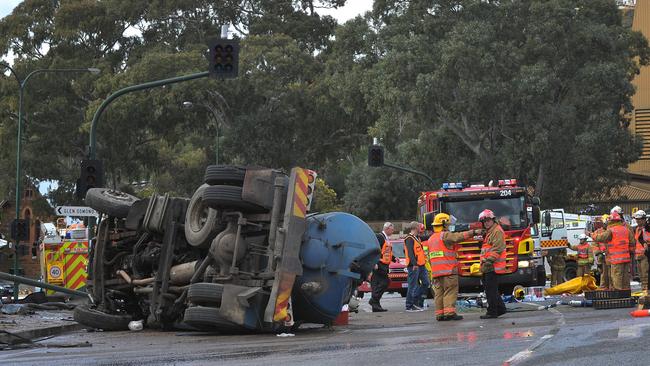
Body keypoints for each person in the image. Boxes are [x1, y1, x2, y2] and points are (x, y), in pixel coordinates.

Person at [427, 213, 481, 321]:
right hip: (448, 270)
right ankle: (449, 313)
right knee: (450, 291)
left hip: (437, 272)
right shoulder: (445, 235)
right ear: (443, 224)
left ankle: (440, 314)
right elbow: (458, 237)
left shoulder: (431, 238)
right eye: (447, 224)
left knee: (439, 293)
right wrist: (473, 232)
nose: (449, 226)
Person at [589, 211, 635, 290]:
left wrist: (590, 234)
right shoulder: (626, 229)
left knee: (616, 277)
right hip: (626, 259)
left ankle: (619, 295)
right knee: (625, 278)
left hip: (616, 259)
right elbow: (632, 243)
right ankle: (626, 294)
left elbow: (600, 238)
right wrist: (630, 254)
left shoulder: (611, 230)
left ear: (611, 221)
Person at [478, 209, 507, 319]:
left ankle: (492, 311)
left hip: (492, 266)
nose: (486, 223)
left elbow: (497, 249)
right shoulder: (490, 231)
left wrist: (488, 261)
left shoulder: (497, 231)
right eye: (484, 221)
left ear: (493, 220)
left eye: (488, 220)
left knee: (491, 290)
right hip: (488, 266)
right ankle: (500, 309)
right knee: (491, 289)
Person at [369, 222, 395, 312]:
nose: (393, 231)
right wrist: (374, 262)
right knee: (385, 282)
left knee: (376, 285)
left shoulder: (386, 238)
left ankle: (376, 305)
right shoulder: (380, 237)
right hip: (379, 264)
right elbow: (374, 250)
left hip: (384, 264)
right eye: (392, 229)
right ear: (387, 229)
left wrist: (394, 259)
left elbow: (386, 252)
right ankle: (373, 300)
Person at [404, 222, 430, 312]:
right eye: (419, 227)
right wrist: (414, 264)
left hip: (421, 265)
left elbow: (426, 237)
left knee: (426, 283)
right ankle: (409, 305)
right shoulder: (409, 239)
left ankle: (416, 301)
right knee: (412, 286)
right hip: (414, 266)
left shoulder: (417, 238)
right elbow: (410, 252)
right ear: (415, 228)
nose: (421, 228)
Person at [591, 215, 611, 289]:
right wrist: (598, 253)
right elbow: (594, 244)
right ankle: (604, 288)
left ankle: (611, 288)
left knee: (612, 274)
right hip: (602, 256)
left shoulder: (611, 230)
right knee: (604, 273)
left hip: (612, 256)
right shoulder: (598, 232)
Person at [633, 210, 649, 293]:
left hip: (645, 255)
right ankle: (644, 291)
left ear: (644, 219)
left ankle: (646, 291)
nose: (638, 221)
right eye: (637, 219)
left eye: (639, 219)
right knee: (641, 275)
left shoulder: (647, 229)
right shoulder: (637, 229)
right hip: (638, 255)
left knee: (645, 275)